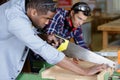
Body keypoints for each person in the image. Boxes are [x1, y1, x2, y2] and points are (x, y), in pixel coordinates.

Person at [0, 0, 107, 80]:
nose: (47, 23)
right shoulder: (15, 18)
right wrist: (84, 71)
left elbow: (28, 32)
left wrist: (44, 37)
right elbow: (42, 48)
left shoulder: (26, 5)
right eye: (47, 19)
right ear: (33, 12)